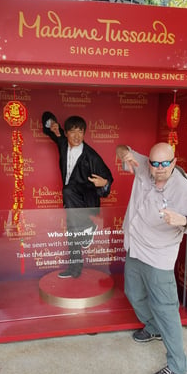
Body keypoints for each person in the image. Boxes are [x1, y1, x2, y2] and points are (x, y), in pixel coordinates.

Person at [116, 142, 187, 374]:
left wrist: (185, 219)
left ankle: (180, 367)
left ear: (174, 162)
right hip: (135, 248)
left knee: (166, 310)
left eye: (164, 163)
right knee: (133, 293)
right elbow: (121, 147)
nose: (158, 168)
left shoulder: (182, 188)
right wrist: (124, 153)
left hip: (158, 257)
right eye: (154, 163)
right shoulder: (144, 167)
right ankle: (152, 328)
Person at [42, 111, 113, 279]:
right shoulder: (62, 143)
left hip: (86, 202)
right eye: (73, 131)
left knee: (67, 190)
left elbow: (108, 178)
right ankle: (74, 269)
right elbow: (46, 118)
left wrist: (104, 184)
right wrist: (51, 123)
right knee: (73, 234)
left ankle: (88, 225)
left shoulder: (91, 156)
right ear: (66, 133)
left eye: (80, 131)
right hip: (72, 202)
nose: (77, 135)